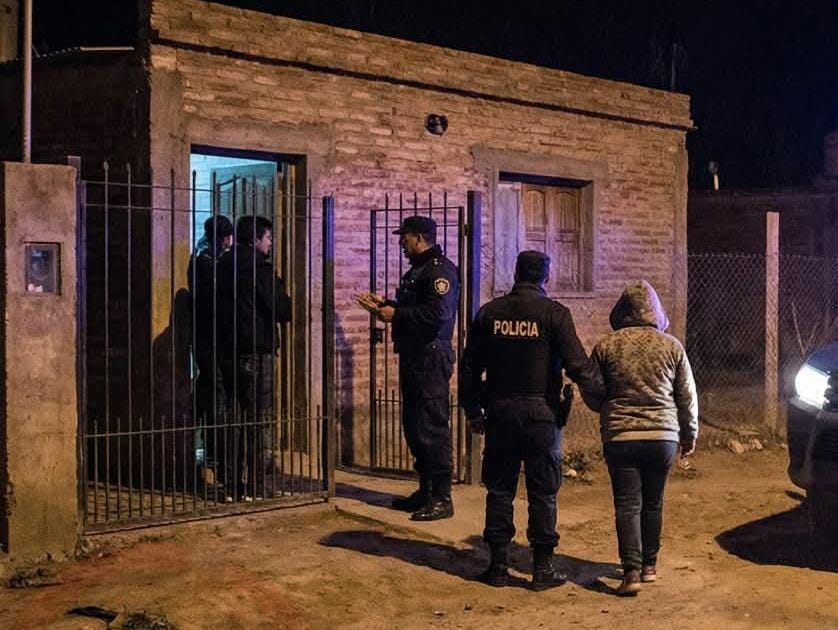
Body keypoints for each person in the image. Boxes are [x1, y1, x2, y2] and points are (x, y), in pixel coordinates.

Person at [459, 250, 605, 590]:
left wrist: (473, 411)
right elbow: (578, 366)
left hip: (500, 413)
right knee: (543, 493)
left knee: (499, 490)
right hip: (542, 416)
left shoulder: (490, 313)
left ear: (516, 274)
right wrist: (605, 393)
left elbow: (469, 368)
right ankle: (542, 569)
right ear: (546, 277)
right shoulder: (555, 314)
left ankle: (497, 567)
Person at [590, 280, 698, 596]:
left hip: (620, 435)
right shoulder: (672, 346)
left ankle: (631, 572)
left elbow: (593, 390)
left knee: (627, 503)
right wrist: (689, 433)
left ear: (621, 311)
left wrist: (606, 406)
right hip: (663, 435)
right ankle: (650, 565)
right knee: (653, 502)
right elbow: (686, 395)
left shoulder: (606, 346)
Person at [356, 215, 459, 521]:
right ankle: (426, 490)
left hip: (430, 357)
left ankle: (442, 497)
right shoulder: (418, 270)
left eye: (405, 236)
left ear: (419, 237)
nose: (401, 242)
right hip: (415, 356)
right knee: (415, 426)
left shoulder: (439, 271)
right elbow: (417, 308)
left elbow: (438, 315)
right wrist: (387, 305)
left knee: (432, 426)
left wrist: (396, 315)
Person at [218, 215, 292, 501]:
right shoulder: (260, 269)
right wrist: (279, 286)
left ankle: (231, 485)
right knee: (257, 419)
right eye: (268, 237)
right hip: (257, 349)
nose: (271, 243)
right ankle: (257, 485)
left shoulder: (223, 264)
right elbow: (282, 309)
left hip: (228, 349)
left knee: (233, 417)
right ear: (255, 238)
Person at [187, 215, 234, 494]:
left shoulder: (202, 258)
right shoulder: (206, 262)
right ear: (225, 238)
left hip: (209, 339)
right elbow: (217, 300)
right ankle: (211, 464)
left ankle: (213, 462)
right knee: (214, 401)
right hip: (212, 340)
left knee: (213, 397)